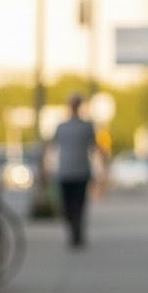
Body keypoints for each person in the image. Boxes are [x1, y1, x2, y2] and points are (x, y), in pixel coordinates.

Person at [51, 93, 103, 248]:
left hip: (73, 171)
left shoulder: (79, 126)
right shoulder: (71, 126)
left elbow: (95, 148)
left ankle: (76, 232)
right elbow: (95, 149)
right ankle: (75, 230)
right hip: (73, 171)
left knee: (73, 205)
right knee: (75, 205)